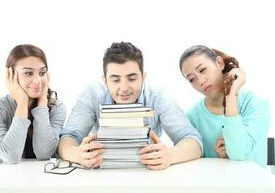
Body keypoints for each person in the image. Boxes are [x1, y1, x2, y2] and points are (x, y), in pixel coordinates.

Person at [58, 42, 202, 170]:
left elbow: (192, 140)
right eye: (115, 80)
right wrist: (77, 154)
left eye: (132, 78)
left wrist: (169, 155)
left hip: (147, 173)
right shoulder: (92, 94)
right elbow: (68, 137)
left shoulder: (159, 96)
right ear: (105, 81)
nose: (124, 88)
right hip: (103, 174)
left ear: (143, 77)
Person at [179, 45, 271, 167]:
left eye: (202, 70)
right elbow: (196, 167)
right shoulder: (192, 117)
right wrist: (219, 159)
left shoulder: (256, 104)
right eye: (191, 79)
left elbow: (239, 152)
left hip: (255, 184)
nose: (200, 81)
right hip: (214, 184)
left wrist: (231, 95)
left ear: (219, 63)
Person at [0, 44, 67, 171]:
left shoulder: (57, 108)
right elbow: (11, 156)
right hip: (0, 185)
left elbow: (44, 153)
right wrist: (22, 102)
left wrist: (42, 102)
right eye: (28, 73)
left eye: (42, 73)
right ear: (11, 75)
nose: (37, 80)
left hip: (39, 183)